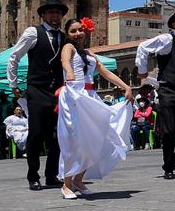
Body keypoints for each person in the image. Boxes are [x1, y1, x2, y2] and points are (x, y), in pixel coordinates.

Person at [57, 18, 134, 199]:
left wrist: (126, 86)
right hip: (74, 97)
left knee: (97, 139)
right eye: (73, 31)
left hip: (90, 97)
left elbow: (104, 72)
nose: (78, 34)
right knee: (75, 140)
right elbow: (65, 61)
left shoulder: (90, 53)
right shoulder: (68, 47)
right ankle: (66, 184)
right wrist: (69, 72)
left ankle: (78, 179)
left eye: (80, 30)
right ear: (68, 34)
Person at [7, 0, 68, 190]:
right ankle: (33, 175)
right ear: (43, 15)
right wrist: (14, 84)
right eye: (50, 12)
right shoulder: (34, 33)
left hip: (56, 91)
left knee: (57, 135)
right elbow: (14, 57)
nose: (55, 16)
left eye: (58, 12)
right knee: (35, 134)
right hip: (37, 89)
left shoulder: (64, 37)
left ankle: (51, 175)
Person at [136, 9, 175, 179]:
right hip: (168, 91)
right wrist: (143, 71)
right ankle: (168, 166)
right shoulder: (167, 39)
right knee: (169, 131)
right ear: (173, 24)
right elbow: (143, 47)